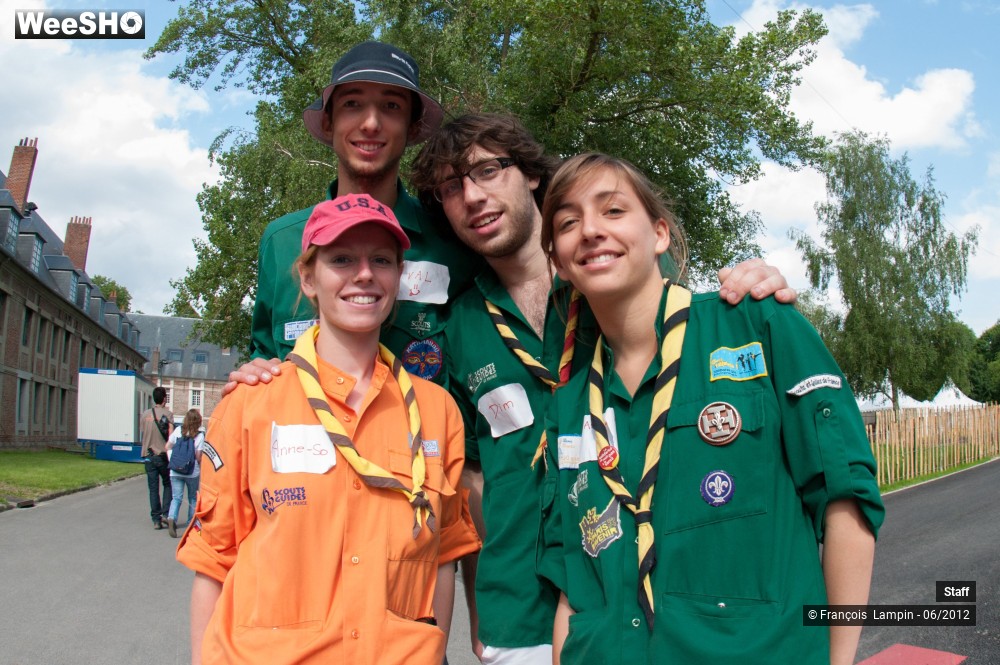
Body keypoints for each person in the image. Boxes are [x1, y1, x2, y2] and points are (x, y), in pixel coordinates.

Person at [408, 114, 799, 664]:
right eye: (451, 188)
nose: (472, 196)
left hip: (637, 596)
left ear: (532, 176)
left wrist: (755, 281)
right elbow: (472, 479)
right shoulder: (460, 325)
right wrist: (482, 607)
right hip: (515, 615)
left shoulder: (607, 276)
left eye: (488, 170)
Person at [536, 153, 884, 665]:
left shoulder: (757, 324)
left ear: (658, 234)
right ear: (559, 261)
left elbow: (845, 503)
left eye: (612, 211)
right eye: (568, 222)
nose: (589, 230)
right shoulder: (568, 407)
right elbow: (575, 587)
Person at [177, 194, 480, 665]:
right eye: (342, 259)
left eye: (381, 260)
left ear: (398, 276)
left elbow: (441, 559)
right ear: (307, 277)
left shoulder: (437, 411)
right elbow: (213, 561)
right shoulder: (251, 402)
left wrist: (429, 650)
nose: (364, 274)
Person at [241, 41, 482, 389]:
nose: (371, 123)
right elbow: (262, 356)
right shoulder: (282, 242)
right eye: (353, 104)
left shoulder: (452, 241)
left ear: (413, 127)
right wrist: (254, 372)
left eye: (391, 106)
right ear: (328, 121)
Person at [165, 408, 205, 538]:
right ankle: (190, 523)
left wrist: (172, 459)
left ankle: (172, 517)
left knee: (176, 497)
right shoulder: (199, 436)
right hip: (192, 472)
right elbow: (198, 457)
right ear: (198, 421)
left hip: (175, 470)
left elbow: (167, 447)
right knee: (193, 497)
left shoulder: (178, 431)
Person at [139, 386, 173, 530]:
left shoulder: (145, 414)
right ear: (164, 398)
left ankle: (156, 519)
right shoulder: (168, 414)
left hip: (148, 455)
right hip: (162, 455)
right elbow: (170, 436)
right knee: (167, 484)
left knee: (153, 488)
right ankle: (165, 513)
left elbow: (143, 431)